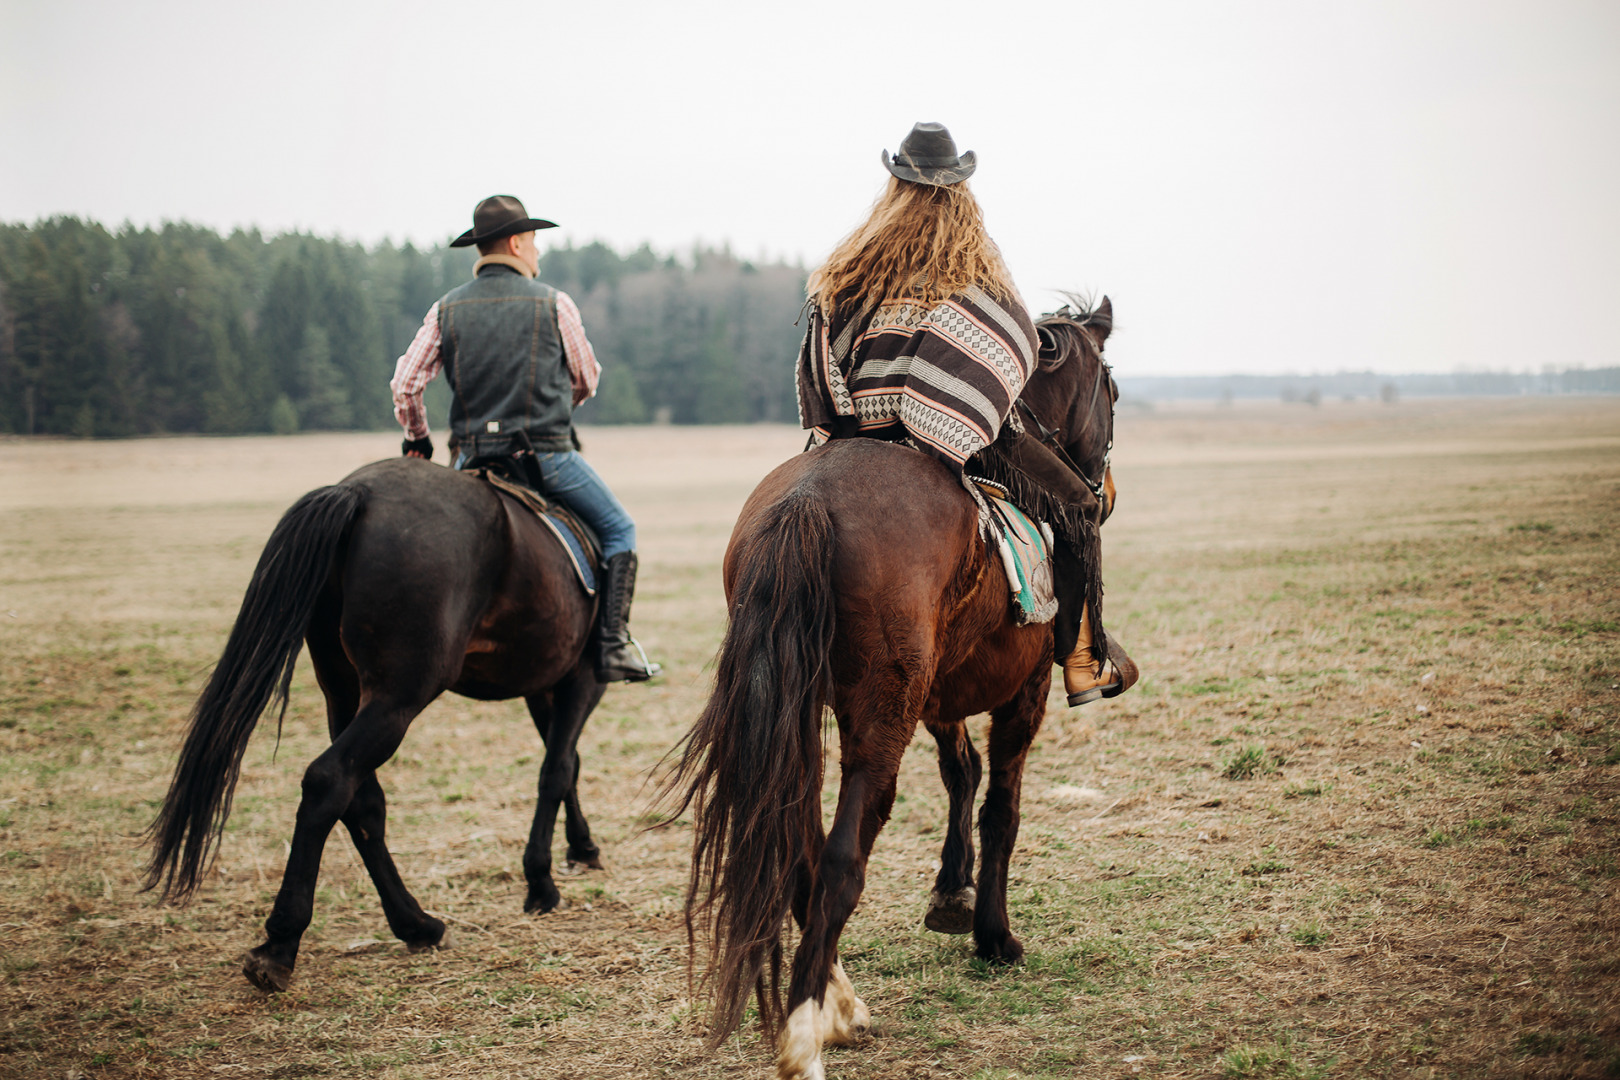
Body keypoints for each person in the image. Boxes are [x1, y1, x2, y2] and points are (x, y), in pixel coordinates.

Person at [795, 123, 1126, 705]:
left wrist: (853, 415)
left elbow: (823, 350)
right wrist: (946, 411)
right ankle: (1079, 658)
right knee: (1078, 502)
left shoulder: (850, 269)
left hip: (855, 431)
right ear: (959, 190)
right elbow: (1007, 344)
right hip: (953, 435)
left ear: (895, 186)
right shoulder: (972, 271)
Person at [389, 194, 660, 684]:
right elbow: (587, 378)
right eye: (534, 242)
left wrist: (418, 442)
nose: (537, 253)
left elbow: (406, 384)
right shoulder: (555, 303)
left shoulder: (444, 309)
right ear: (516, 243)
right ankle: (614, 646)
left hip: (469, 457)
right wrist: (555, 407)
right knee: (621, 530)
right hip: (545, 455)